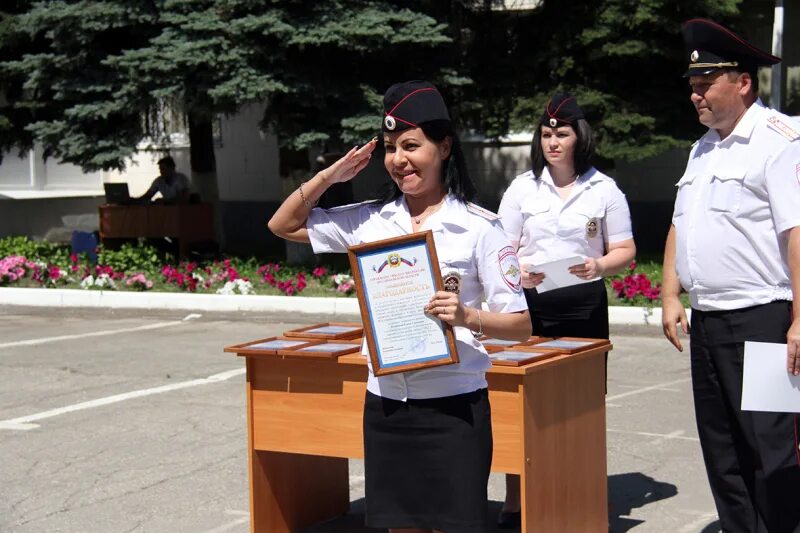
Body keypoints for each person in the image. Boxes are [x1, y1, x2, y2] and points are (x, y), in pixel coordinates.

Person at [268, 80, 532, 533]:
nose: (398, 159)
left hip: (454, 407)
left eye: (411, 145)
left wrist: (468, 317)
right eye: (391, 148)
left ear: (444, 146)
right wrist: (332, 175)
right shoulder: (370, 220)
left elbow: (521, 325)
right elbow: (282, 224)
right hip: (387, 404)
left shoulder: (479, 228)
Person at [661, 18, 800, 533]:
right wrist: (671, 292)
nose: (695, 95)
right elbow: (682, 221)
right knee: (722, 450)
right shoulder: (703, 148)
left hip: (764, 317)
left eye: (705, 84)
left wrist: (798, 321)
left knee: (772, 449)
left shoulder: (781, 140)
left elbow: (796, 234)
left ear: (742, 82)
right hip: (710, 320)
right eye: (692, 86)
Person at [495, 93, 636, 527]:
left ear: (580, 137)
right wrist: (520, 271)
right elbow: (501, 249)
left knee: (584, 404)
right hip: (532, 305)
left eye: (562, 133)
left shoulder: (604, 190)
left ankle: (584, 493)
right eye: (546, 134)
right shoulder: (522, 188)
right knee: (525, 405)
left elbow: (626, 250)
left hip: (583, 306)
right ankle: (516, 501)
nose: (553, 142)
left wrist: (598, 264)